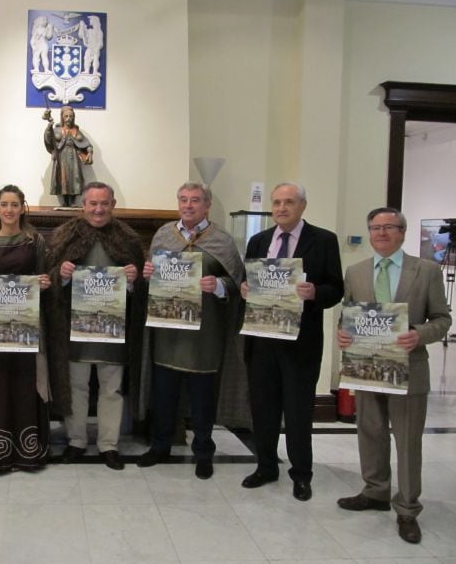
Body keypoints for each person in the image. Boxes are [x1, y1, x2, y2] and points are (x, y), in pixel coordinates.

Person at [336, 207, 450, 544]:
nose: (381, 233)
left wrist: (419, 333)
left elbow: (443, 319)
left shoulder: (426, 271)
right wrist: (342, 333)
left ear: (402, 231)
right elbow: (348, 315)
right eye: (375, 227)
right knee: (370, 432)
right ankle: (375, 491)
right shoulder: (356, 272)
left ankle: (407, 508)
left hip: (409, 369)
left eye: (389, 227)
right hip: (367, 367)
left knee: (407, 441)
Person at [241, 182, 343, 501]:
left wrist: (315, 293)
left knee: (298, 411)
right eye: (277, 203)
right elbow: (249, 279)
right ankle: (266, 466)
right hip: (262, 339)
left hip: (301, 341)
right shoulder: (258, 241)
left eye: (289, 202)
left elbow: (335, 287)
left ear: (302, 206)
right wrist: (246, 289)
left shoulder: (323, 240)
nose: (282, 208)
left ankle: (301, 474)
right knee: (264, 408)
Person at [137, 182, 244, 479]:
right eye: (183, 200)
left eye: (195, 200)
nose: (188, 205)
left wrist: (218, 285)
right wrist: (148, 275)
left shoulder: (221, 239)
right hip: (168, 333)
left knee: (203, 399)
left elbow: (237, 281)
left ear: (207, 205)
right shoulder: (163, 235)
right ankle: (160, 446)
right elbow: (153, 282)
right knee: (163, 395)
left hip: (204, 335)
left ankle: (203, 452)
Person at [46, 181, 145, 470]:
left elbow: (142, 286)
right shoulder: (64, 236)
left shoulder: (128, 239)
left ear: (113, 205)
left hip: (113, 328)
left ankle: (108, 444)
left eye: (104, 204)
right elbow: (47, 276)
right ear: (83, 205)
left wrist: (132, 279)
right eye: (92, 203)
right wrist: (61, 274)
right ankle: (76, 441)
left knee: (111, 388)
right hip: (72, 328)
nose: (98, 209)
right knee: (75, 386)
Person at [0, 185, 52, 473]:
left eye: (14, 204)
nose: (9, 210)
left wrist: (44, 283)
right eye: (4, 204)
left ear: (22, 207)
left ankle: (27, 453)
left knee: (24, 384)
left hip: (26, 326)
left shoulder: (36, 241)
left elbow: (45, 279)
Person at [43, 105, 93, 208]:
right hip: (61, 157)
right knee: (63, 177)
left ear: (73, 117)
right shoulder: (57, 130)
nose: (68, 119)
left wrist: (90, 152)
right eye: (66, 116)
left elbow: (87, 144)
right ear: (62, 117)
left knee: (75, 177)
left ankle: (73, 201)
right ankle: (65, 201)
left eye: (70, 116)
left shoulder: (76, 131)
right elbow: (49, 138)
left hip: (74, 157)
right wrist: (49, 126)